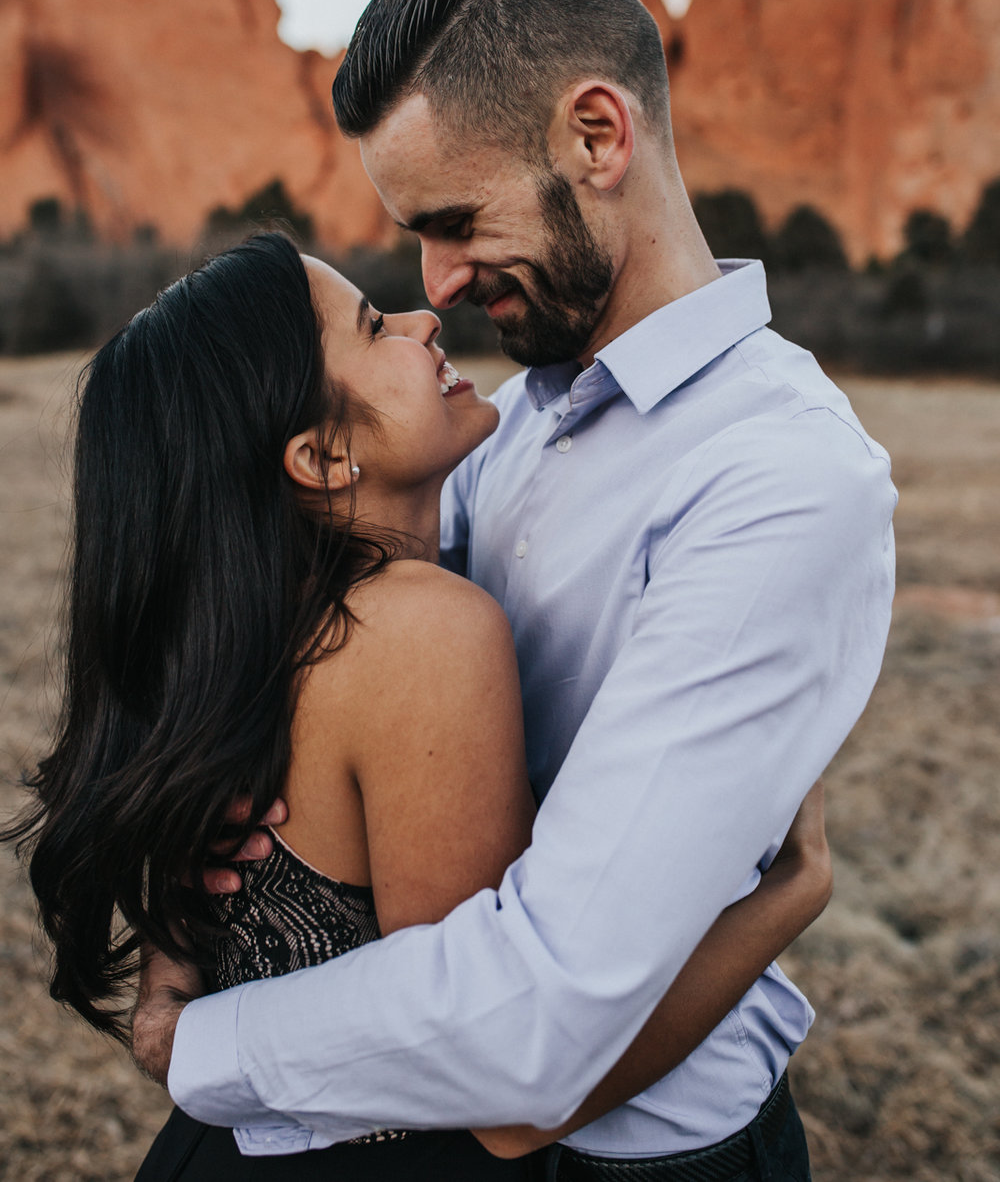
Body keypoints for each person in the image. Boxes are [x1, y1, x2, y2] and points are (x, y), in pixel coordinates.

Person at [137, 0, 897, 1180]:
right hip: (439, 1120)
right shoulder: (519, 421)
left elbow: (543, 1020)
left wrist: (198, 1041)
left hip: (644, 1155)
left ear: (598, 136)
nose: (434, 279)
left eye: (453, 219)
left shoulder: (777, 477)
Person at [7, 232, 832, 1181]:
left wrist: (173, 994)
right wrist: (787, 894)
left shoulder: (238, 636)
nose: (424, 315)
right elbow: (511, 1077)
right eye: (373, 326)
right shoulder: (422, 633)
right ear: (319, 456)